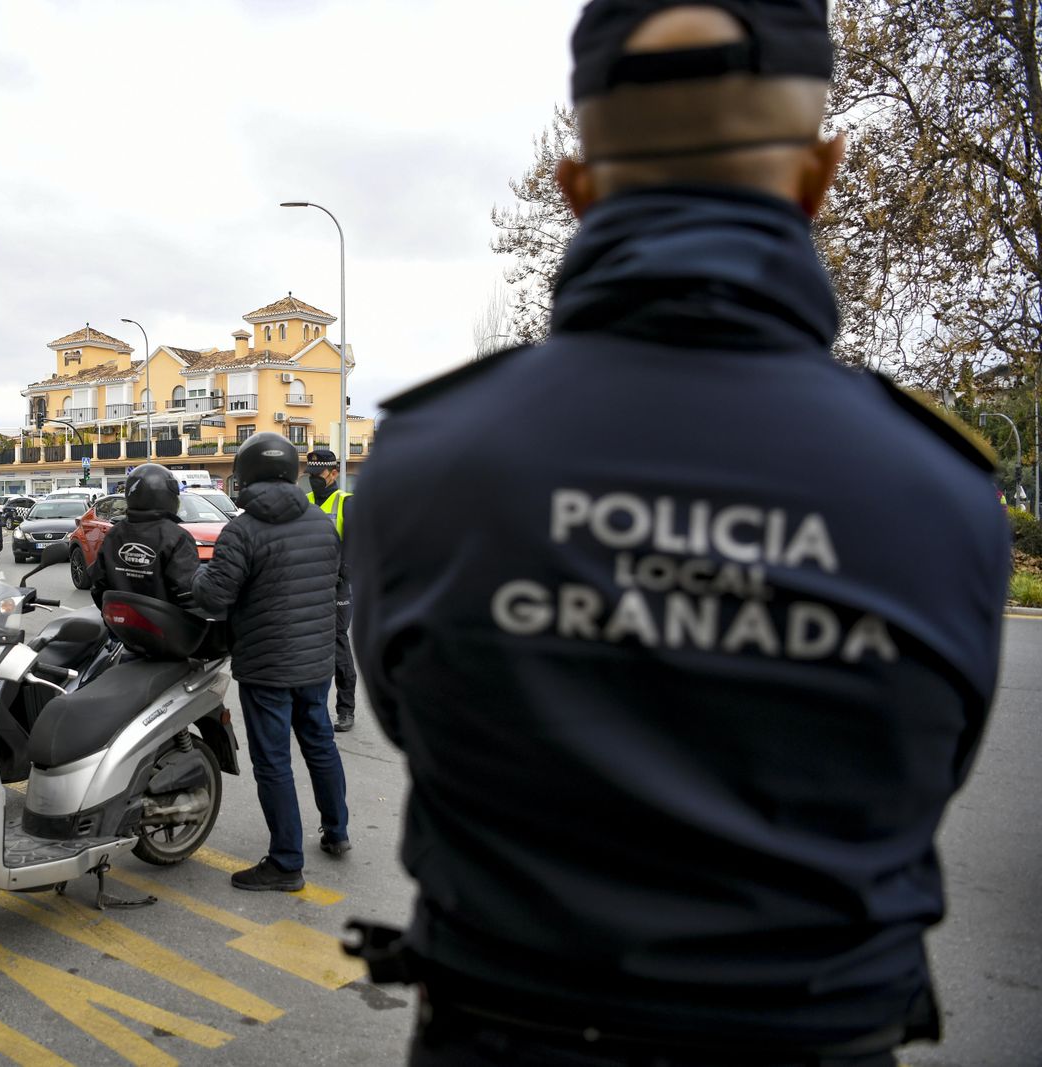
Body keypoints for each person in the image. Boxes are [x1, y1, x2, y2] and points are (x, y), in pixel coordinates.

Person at [350, 4, 1011, 1065]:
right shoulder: (941, 490)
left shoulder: (425, 461)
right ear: (818, 173)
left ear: (575, 188)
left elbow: (410, 714)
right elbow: (929, 762)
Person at [191, 432, 350, 891]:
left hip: (266, 665)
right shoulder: (322, 524)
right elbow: (337, 583)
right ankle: (336, 831)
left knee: (274, 760)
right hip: (315, 661)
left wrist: (200, 574)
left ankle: (286, 862)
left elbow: (215, 597)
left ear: (246, 476)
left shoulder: (241, 531)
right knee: (320, 743)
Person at [88, 463, 198, 609]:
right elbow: (187, 594)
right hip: (164, 628)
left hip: (120, 627)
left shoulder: (114, 534)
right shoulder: (177, 537)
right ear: (167, 496)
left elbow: (98, 585)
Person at [304, 448, 356, 732]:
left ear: (334, 473)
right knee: (309, 647)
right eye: (309, 475)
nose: (312, 480)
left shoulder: (347, 503)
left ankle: (346, 710)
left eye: (318, 475)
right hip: (308, 586)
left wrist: (341, 573)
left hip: (337, 588)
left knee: (337, 644)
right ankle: (312, 709)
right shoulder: (305, 502)